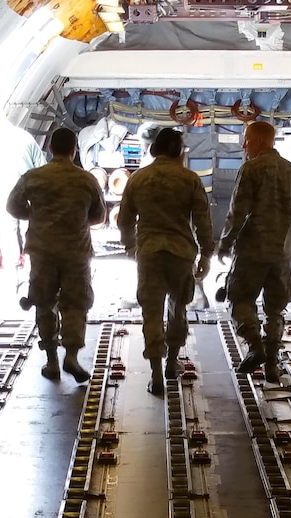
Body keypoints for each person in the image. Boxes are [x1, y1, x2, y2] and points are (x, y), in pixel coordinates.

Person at [116, 127, 213, 395]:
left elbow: (124, 220)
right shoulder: (190, 179)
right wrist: (206, 254)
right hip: (181, 255)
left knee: (151, 313)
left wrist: (132, 247)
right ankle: (172, 364)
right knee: (177, 310)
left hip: (149, 255)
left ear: (154, 149)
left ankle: (156, 375)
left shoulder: (139, 179)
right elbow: (203, 221)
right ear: (179, 151)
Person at [6, 126, 106, 381]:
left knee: (44, 302)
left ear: (49, 148)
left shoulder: (33, 176)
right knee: (75, 303)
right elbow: (99, 216)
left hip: (43, 251)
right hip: (76, 252)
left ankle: (51, 361)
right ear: (74, 150)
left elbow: (12, 205)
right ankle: (71, 356)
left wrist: (35, 216)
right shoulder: (86, 179)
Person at [218, 119, 291, 382]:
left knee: (239, 299)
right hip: (282, 254)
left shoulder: (251, 169)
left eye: (246, 140)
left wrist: (225, 244)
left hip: (252, 251)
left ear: (258, 141)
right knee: (275, 310)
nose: (244, 145)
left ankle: (255, 346)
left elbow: (238, 212)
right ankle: (271, 365)